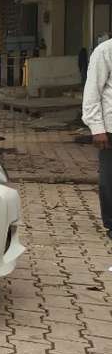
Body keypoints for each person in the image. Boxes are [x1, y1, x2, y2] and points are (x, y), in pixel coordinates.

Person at [83, 36, 112, 238]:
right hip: (110, 128)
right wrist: (96, 127)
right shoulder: (105, 51)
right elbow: (92, 91)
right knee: (109, 179)